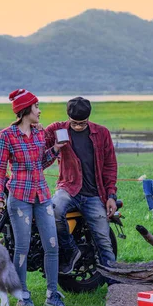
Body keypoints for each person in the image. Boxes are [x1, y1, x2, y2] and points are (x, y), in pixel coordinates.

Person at [0, 89, 66, 306]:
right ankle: (23, 296)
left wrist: (54, 150)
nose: (39, 110)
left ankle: (53, 295)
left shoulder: (40, 133)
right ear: (25, 111)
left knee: (52, 245)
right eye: (36, 107)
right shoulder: (7, 135)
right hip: (19, 197)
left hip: (42, 195)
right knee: (21, 248)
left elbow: (40, 163)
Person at [44, 97, 118, 276]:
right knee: (53, 211)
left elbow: (110, 166)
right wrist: (54, 147)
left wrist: (111, 195)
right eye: (74, 123)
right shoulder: (56, 129)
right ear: (68, 117)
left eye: (82, 123)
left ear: (88, 119)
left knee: (103, 239)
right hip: (67, 189)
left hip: (94, 194)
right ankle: (71, 252)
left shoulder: (102, 133)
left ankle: (116, 284)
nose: (77, 126)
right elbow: (40, 157)